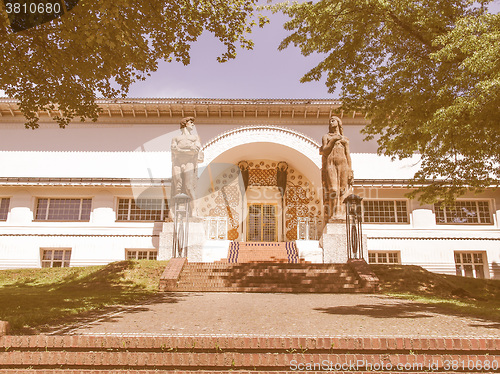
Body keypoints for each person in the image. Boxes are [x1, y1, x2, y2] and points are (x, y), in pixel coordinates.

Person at [320, 116, 354, 220]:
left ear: (339, 123)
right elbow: (324, 150)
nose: (331, 122)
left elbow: (348, 154)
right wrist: (333, 140)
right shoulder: (326, 136)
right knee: (333, 190)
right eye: (330, 121)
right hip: (331, 164)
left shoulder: (345, 139)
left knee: (343, 190)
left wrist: (350, 170)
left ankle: (342, 214)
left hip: (343, 163)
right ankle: (333, 214)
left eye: (333, 120)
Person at [171, 117, 203, 215]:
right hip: (177, 163)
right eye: (191, 122)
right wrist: (188, 150)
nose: (193, 125)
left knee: (189, 187)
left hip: (189, 163)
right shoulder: (176, 138)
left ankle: (194, 210)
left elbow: (194, 151)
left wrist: (180, 150)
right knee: (177, 187)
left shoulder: (195, 137)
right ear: (185, 124)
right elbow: (174, 150)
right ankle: (172, 211)